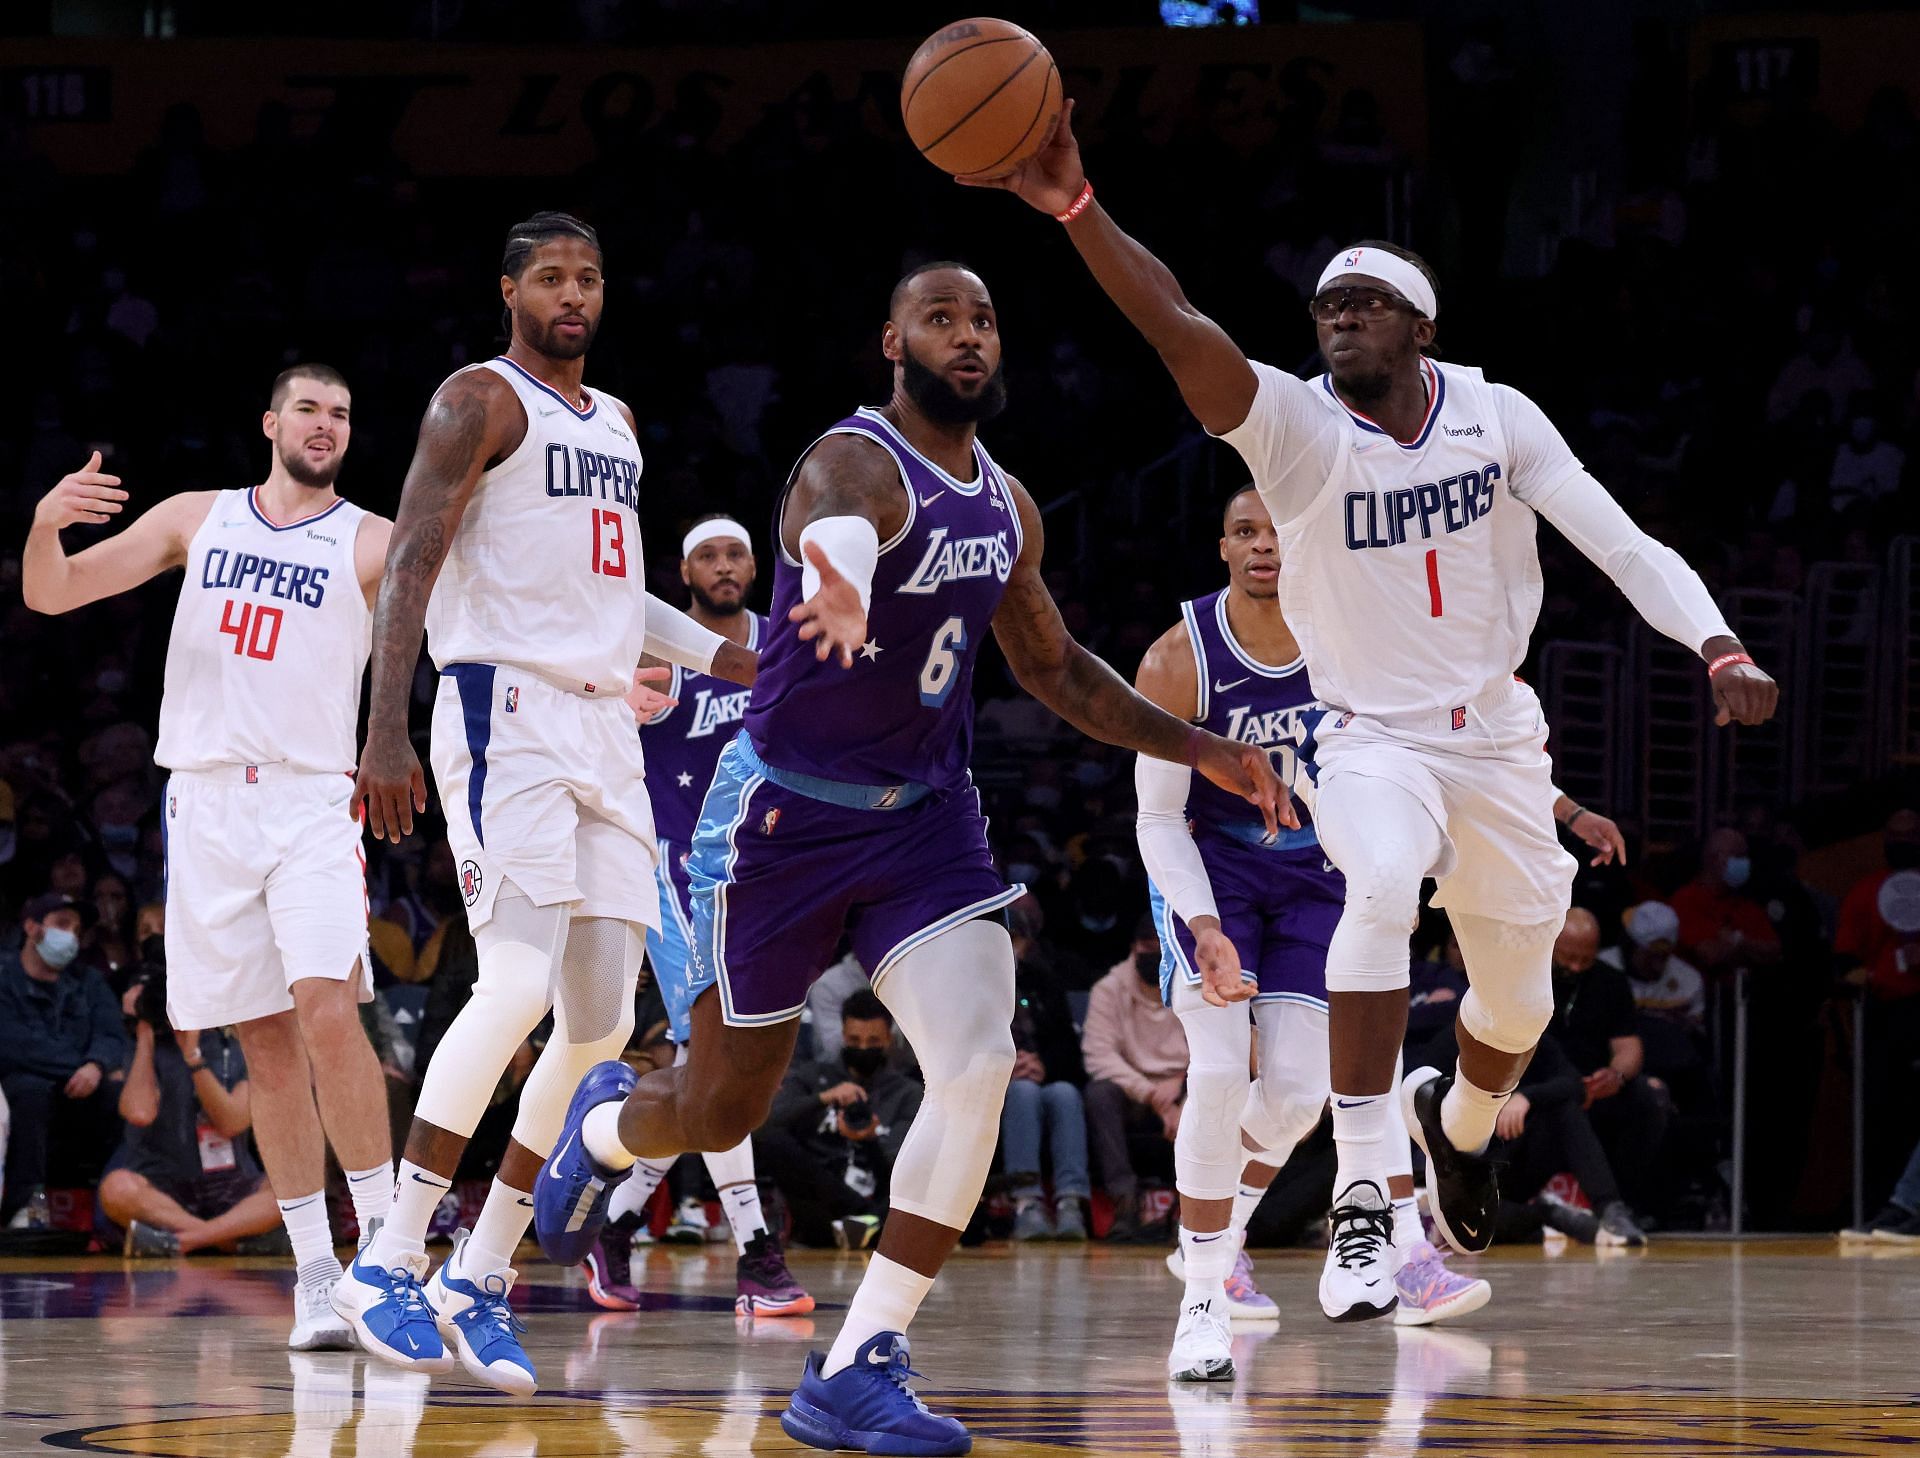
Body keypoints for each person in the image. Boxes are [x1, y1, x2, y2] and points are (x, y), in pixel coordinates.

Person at [967, 110, 1777, 1286]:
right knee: (1384, 882)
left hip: (1500, 741)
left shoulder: (1499, 418)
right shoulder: (1295, 430)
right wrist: (1080, 211)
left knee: (1514, 1012)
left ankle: (1447, 1126)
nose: (1338, 312)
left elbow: (1625, 543)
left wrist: (1718, 645)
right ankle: (1360, 1184)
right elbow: (1180, 328)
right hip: (1368, 742)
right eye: (1326, 303)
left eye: (1364, 299)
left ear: (1420, 325)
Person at [535, 260, 1282, 1457]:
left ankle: (857, 1360)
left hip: (925, 825)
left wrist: (1204, 747)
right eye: (943, 317)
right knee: (719, 1102)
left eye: (985, 317)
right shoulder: (852, 463)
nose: (969, 335)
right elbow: (832, 539)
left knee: (981, 1061)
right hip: (781, 817)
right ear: (893, 340)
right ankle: (612, 1125)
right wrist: (832, 586)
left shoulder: (1008, 505)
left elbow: (1055, 671)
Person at [335, 212, 756, 1396]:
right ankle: (388, 1258)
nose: (573, 293)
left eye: (590, 278)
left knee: (599, 1025)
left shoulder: (615, 422)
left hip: (601, 720)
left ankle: (479, 1271)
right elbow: (414, 556)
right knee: (513, 981)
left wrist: (738, 664)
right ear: (510, 287)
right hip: (500, 708)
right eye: (552, 277)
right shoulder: (479, 397)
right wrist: (383, 724)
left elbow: (620, 604)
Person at [20, 369, 393, 1350]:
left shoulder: (371, 538)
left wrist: (616, 676)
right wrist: (46, 523)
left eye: (341, 415)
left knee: (327, 1010)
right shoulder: (200, 517)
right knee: (265, 1044)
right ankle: (319, 1273)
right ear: (271, 423)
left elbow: (498, 616)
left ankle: (392, 1254)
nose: (325, 426)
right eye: (308, 409)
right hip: (207, 803)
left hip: (312, 797)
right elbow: (51, 592)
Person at [1135, 486, 1490, 1381]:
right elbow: (1155, 820)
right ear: (1222, 547)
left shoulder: (1355, 645)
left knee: (1296, 1094)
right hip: (1213, 870)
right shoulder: (1182, 656)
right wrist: (1203, 927)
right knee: (1219, 1075)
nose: (1264, 547)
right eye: (1245, 531)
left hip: (1312, 879)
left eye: (1278, 533)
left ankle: (1216, 1232)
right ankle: (1203, 1303)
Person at [584, 517, 811, 1319]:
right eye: (707, 555)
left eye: (734, 554)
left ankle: (611, 1226)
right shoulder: (656, 658)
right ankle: (756, 1252)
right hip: (678, 875)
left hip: (761, 876)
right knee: (709, 1056)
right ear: (683, 572)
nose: (723, 566)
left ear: (752, 566)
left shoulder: (775, 643)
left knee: (714, 1079)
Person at [101, 964, 283, 1257]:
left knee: (286, 1189)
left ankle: (183, 1241)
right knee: (115, 1188)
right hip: (164, 1189)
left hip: (232, 1185)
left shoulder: (232, 1045)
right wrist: (145, 1033)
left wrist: (193, 1057)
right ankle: (227, 1240)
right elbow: (139, 1112)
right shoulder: (145, 1048)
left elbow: (232, 1123)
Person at [755, 990, 925, 1251]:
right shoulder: (813, 1078)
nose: (863, 1048)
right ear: (844, 1036)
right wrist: (822, 1099)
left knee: (920, 1171)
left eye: (873, 1040)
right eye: (855, 1039)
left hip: (883, 1200)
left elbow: (899, 1170)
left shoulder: (907, 1093)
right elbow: (769, 1122)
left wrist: (868, 1140)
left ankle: (865, 1221)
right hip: (821, 1205)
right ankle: (862, 1218)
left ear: (889, 1039)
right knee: (766, 1135)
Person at [0, 894, 127, 1225]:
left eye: (76, 928)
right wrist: (80, 1068)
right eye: (61, 924)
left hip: (83, 1086)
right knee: (29, 1090)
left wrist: (96, 1065)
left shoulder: (89, 982)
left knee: (121, 1097)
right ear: (32, 927)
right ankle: (24, 1207)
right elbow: (14, 1045)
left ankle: (114, 1208)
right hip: (21, 1087)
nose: (70, 935)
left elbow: (113, 1035)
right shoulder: (4, 976)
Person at [1545, 909, 1655, 1237]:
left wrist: (1615, 1076)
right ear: (1551, 945)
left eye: (1586, 959)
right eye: (1569, 958)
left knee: (1647, 1099)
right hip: (1541, 1083)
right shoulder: (1527, 975)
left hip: (1594, 1083)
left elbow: (1629, 1046)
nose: (1577, 967)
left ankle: (1629, 1206)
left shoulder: (1610, 981)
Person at [1081, 916, 1188, 1242]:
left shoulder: (1190, 985)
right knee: (1099, 1094)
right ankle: (1124, 1203)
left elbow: (1216, 1048)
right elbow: (1098, 1056)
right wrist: (1153, 1095)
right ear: (1133, 948)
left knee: (1220, 1095)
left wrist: (1184, 1090)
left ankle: (1190, 1211)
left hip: (1185, 1086)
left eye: (1160, 947)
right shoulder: (1108, 989)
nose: (1153, 954)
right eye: (1146, 947)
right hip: (1133, 1089)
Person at [1002, 904, 1089, 1241]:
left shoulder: (1044, 982)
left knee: (1065, 1093)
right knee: (1022, 1092)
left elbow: (1068, 1049)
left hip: (1042, 1080)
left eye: (1016, 940)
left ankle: (1070, 1201)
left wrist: (1043, 1065)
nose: (1010, 947)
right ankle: (1027, 1202)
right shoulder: (969, 983)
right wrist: (1008, 1068)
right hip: (994, 1083)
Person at [1671, 828, 1782, 978]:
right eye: (1738, 856)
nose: (1745, 863)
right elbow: (1710, 956)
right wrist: (1753, 951)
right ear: (1713, 858)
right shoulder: (1685, 899)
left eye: (1745, 857)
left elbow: (1774, 952)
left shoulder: (1746, 905)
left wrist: (1738, 940)